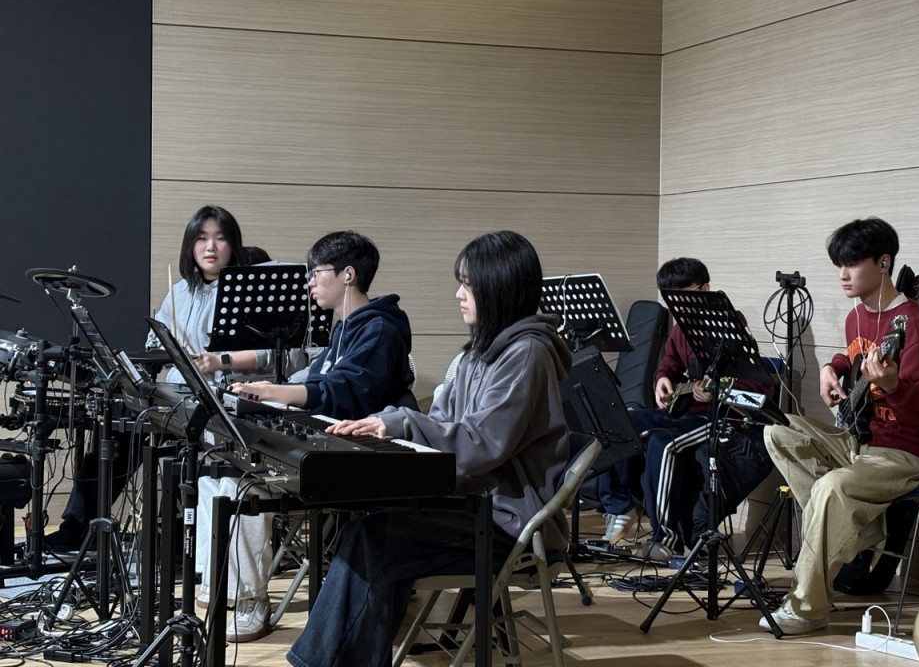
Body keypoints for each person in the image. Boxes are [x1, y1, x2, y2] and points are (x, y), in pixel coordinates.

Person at [285, 230, 571, 667]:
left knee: (374, 540)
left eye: (467, 285)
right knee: (366, 530)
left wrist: (399, 421)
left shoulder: (527, 354)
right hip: (475, 504)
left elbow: (481, 443)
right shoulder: (480, 353)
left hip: (507, 523)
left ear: (499, 287)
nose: (458, 294)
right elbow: (442, 423)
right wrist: (388, 423)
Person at [210, 230, 416, 642]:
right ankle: (232, 594)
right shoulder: (345, 329)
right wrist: (267, 390)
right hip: (335, 445)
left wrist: (272, 392)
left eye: (315, 273)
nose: (309, 283)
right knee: (225, 474)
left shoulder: (380, 328)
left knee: (243, 485)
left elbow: (345, 392)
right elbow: (318, 379)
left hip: (362, 457)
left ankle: (251, 603)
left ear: (348, 275)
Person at [758, 217, 919, 635]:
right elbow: (856, 358)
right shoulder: (856, 317)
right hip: (861, 441)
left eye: (852, 264)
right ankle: (857, 528)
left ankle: (808, 607)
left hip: (909, 452)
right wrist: (832, 367)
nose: (842, 274)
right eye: (838, 265)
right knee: (778, 430)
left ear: (883, 263)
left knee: (831, 487)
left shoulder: (918, 327)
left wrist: (896, 387)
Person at [45, 205, 270, 552]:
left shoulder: (247, 291)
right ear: (190, 245)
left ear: (233, 244)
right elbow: (159, 345)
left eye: (220, 238)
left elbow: (272, 355)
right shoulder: (180, 291)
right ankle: (80, 527)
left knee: (182, 447)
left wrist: (219, 361)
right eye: (202, 239)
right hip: (176, 395)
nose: (210, 247)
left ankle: (175, 538)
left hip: (218, 400)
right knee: (116, 428)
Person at [600, 258, 775, 560]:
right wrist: (662, 378)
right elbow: (670, 362)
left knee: (663, 443)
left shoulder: (731, 327)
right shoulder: (682, 328)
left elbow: (761, 387)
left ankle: (666, 539)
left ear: (706, 289)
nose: (680, 306)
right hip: (682, 412)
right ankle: (620, 506)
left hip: (718, 418)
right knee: (618, 420)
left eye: (687, 296)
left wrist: (718, 390)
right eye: (673, 300)